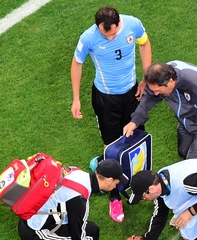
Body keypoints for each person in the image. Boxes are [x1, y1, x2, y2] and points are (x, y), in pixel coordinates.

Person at [71, 6, 152, 224]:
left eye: (114, 33)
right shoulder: (88, 37)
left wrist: (146, 78)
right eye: (106, 35)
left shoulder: (132, 24)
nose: (110, 37)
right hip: (106, 99)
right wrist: (76, 98)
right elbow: (77, 63)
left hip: (133, 92)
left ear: (118, 22)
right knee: (112, 146)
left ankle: (141, 183)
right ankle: (114, 196)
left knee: (136, 138)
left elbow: (144, 43)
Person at [12, 159, 124, 240]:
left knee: (90, 231)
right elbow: (79, 237)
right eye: (116, 183)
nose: (115, 187)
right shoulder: (80, 199)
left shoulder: (76, 171)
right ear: (108, 180)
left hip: (35, 218)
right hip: (34, 231)